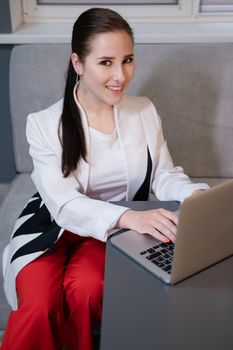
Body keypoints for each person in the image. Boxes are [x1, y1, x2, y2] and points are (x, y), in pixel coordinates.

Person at [1, 7, 209, 350]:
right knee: (40, 304)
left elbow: (164, 174)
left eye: (127, 60)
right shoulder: (43, 124)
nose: (121, 76)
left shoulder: (143, 111)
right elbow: (64, 203)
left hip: (108, 231)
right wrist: (130, 216)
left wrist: (195, 196)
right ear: (78, 64)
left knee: (89, 290)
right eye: (106, 62)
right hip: (50, 226)